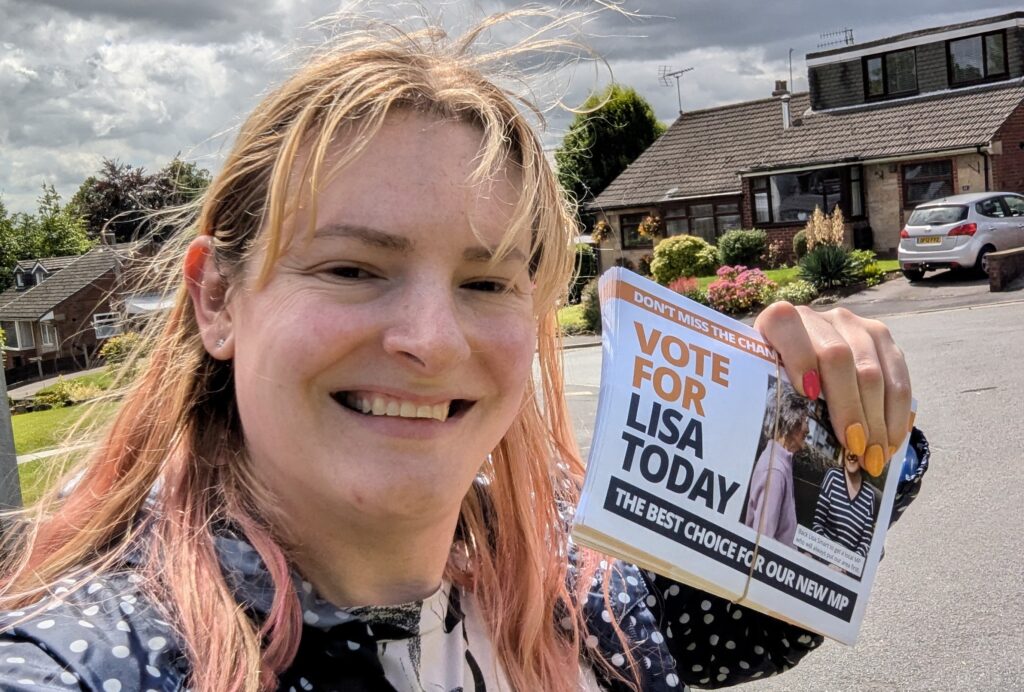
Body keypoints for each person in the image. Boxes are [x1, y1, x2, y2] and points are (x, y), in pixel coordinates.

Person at [0, 10, 923, 692]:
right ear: (216, 299)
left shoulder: (587, 605)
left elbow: (808, 550)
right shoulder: (101, 663)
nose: (431, 341)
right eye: (354, 268)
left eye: (486, 285)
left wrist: (841, 392)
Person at [743, 391, 811, 546]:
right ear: (792, 422)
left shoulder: (781, 462)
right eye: (806, 420)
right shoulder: (775, 471)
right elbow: (764, 542)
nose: (808, 430)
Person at [812, 452, 879, 563]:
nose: (852, 453)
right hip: (821, 559)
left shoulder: (869, 495)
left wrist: (846, 565)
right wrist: (828, 559)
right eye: (849, 446)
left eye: (858, 448)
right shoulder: (833, 476)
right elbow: (817, 524)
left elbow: (865, 542)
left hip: (846, 570)